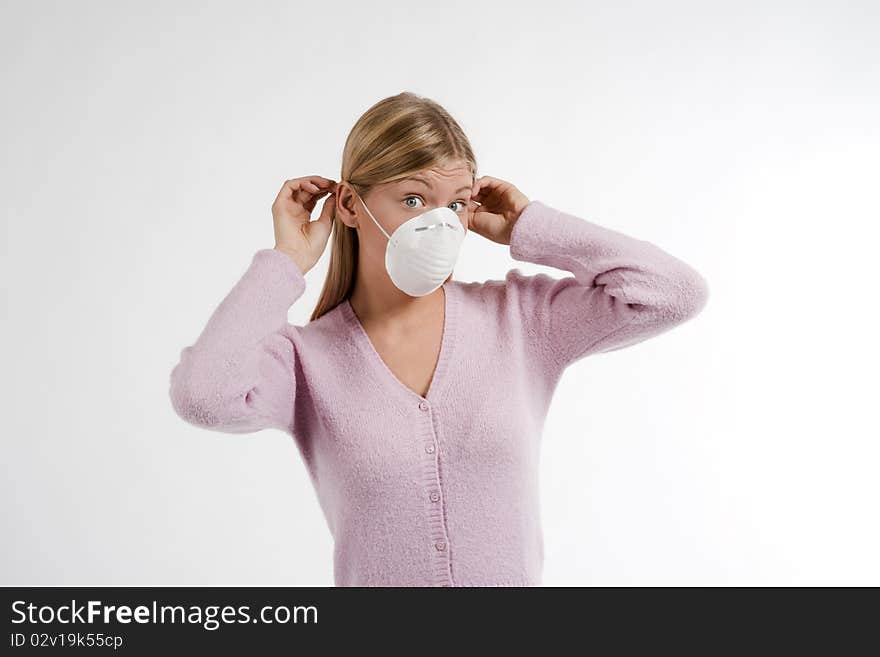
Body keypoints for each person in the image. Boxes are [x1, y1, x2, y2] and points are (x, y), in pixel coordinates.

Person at [169, 91, 710, 587]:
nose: (439, 223)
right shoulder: (305, 360)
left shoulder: (520, 319)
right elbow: (203, 396)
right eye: (412, 199)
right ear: (351, 207)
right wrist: (286, 263)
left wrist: (528, 226)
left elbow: (673, 293)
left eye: (454, 204)